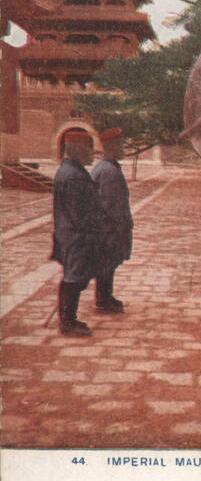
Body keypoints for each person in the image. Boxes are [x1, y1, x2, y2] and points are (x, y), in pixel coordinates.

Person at [51, 131, 102, 336]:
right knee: (74, 277)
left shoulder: (69, 170)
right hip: (76, 236)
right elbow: (79, 212)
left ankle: (68, 318)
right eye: (89, 149)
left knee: (74, 276)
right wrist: (93, 231)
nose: (92, 154)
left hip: (70, 234)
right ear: (78, 150)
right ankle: (67, 322)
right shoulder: (73, 175)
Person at [91, 127, 133, 312]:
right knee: (107, 262)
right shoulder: (108, 171)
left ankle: (106, 296)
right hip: (109, 227)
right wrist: (119, 226)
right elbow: (109, 204)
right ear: (111, 147)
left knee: (109, 262)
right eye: (120, 145)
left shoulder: (107, 167)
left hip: (107, 226)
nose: (123, 149)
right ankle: (103, 300)